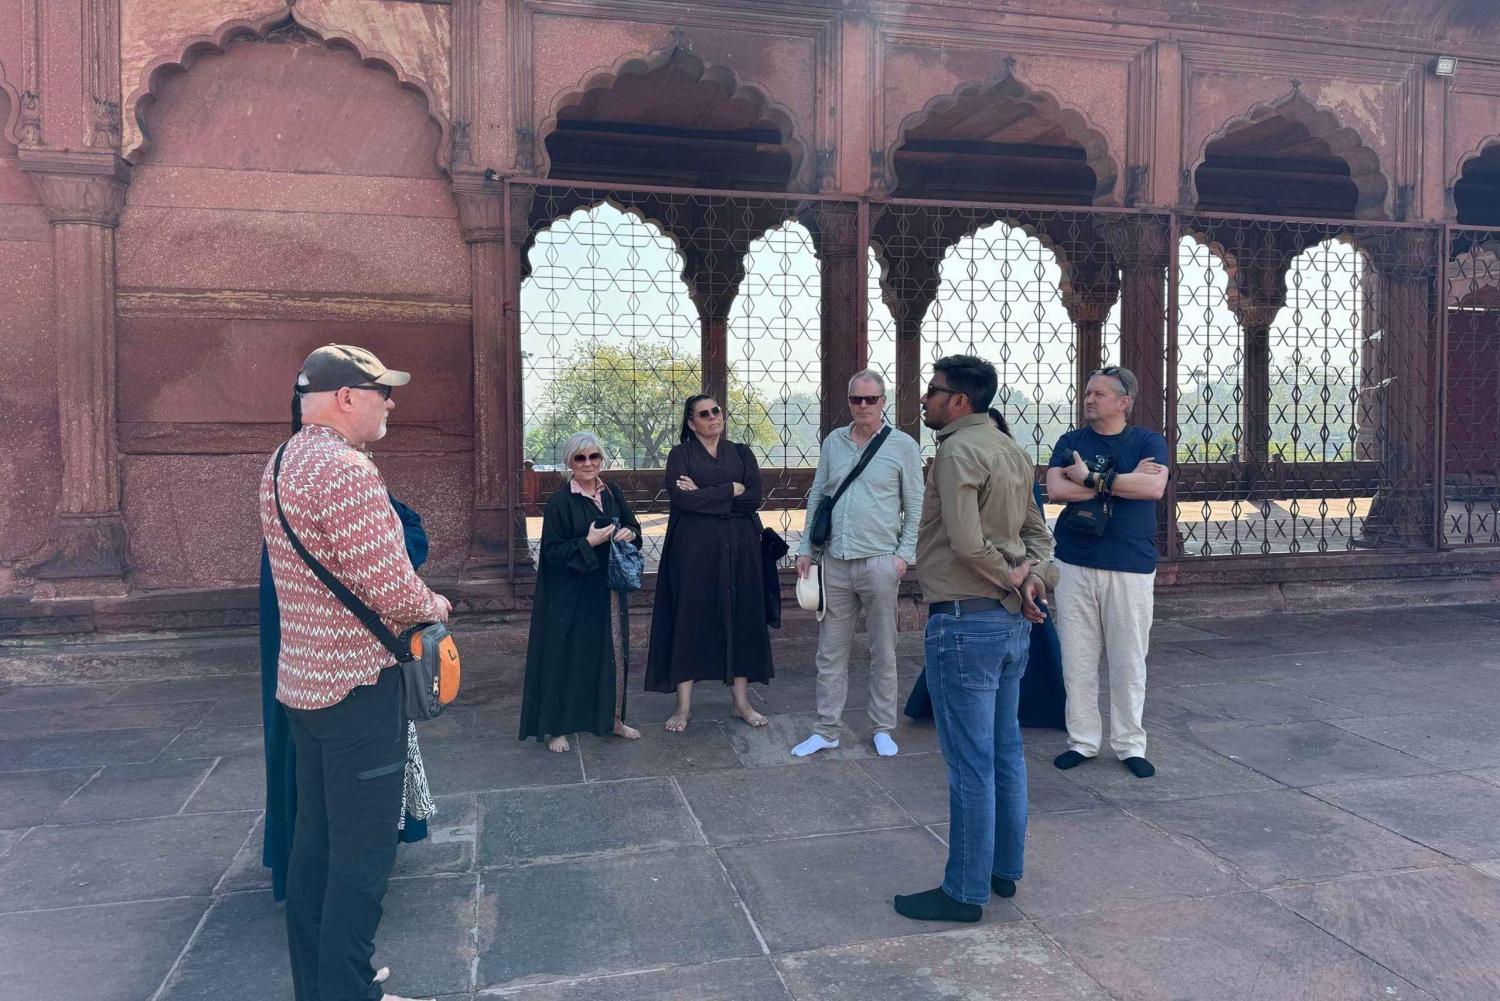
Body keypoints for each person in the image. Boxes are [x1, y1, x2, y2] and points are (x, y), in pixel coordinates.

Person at [261, 344, 451, 1001]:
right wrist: (434, 605)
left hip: (304, 686)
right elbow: (394, 590)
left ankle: (323, 985)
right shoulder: (347, 469)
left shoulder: (282, 461)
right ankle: (350, 991)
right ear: (346, 397)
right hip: (356, 689)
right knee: (363, 856)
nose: (390, 403)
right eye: (382, 392)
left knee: (315, 844)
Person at [894, 355, 1056, 925]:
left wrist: (1013, 577)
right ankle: (1002, 868)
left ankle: (964, 892)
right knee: (1005, 751)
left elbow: (965, 544)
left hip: (965, 621)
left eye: (933, 390)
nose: (925, 399)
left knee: (971, 763)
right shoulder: (1010, 448)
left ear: (959, 401)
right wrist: (1033, 577)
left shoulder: (958, 451)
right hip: (1010, 624)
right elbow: (1039, 535)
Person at [902, 407, 1066, 730]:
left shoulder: (1014, 464)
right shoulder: (959, 464)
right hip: (985, 601)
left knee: (978, 739)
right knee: (998, 733)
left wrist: (1028, 574)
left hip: (992, 608)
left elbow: (1031, 535)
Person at [1046, 365, 1169, 779]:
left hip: (1129, 566)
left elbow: (1152, 488)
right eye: (1088, 392)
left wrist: (1090, 478)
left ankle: (1130, 744)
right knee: (1077, 659)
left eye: (1099, 393)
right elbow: (1056, 489)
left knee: (1128, 659)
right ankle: (1082, 741)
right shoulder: (1071, 441)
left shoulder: (1148, 441)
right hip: (1074, 563)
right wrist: (1119, 483)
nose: (1090, 399)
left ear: (1123, 402)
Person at [792, 369, 923, 758]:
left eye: (871, 399)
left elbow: (915, 504)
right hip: (835, 560)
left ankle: (882, 727)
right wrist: (805, 546)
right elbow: (819, 494)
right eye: (856, 399)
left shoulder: (902, 446)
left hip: (880, 561)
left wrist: (903, 556)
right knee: (830, 652)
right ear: (848, 401)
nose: (863, 406)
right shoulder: (834, 442)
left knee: (884, 650)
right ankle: (826, 729)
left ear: (883, 401)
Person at [645, 395, 774, 731]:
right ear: (691, 423)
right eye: (704, 414)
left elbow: (753, 498)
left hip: (740, 548)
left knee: (740, 617)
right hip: (693, 551)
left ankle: (741, 703)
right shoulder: (681, 455)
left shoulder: (741, 453)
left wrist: (704, 493)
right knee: (690, 617)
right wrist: (729, 488)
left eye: (716, 410)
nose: (713, 416)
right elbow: (681, 498)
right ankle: (683, 707)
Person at [519, 432, 644, 752]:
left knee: (612, 654)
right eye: (580, 458)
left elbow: (633, 527)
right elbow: (552, 553)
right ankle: (557, 728)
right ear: (569, 462)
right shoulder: (560, 502)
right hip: (571, 593)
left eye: (594, 456)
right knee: (567, 657)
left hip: (607, 590)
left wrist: (630, 533)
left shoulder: (612, 492)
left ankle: (613, 719)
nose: (588, 463)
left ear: (601, 459)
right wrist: (588, 542)